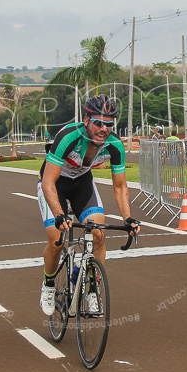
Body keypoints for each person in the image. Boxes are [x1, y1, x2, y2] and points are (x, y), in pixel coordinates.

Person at [37, 95, 141, 314]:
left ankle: (92, 288)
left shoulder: (114, 145)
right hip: (55, 183)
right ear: (86, 120)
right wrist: (59, 214)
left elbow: (120, 186)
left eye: (109, 124)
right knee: (56, 239)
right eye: (98, 122)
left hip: (82, 183)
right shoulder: (69, 136)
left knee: (98, 233)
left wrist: (127, 218)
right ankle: (48, 284)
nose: (104, 128)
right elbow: (48, 181)